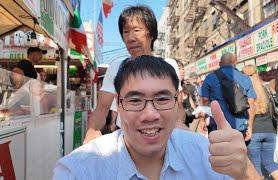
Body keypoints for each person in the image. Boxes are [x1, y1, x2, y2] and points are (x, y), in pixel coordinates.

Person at [53, 56, 261, 179]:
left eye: (162, 99)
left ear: (177, 101)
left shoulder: (208, 156)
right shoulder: (78, 170)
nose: (150, 115)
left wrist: (244, 173)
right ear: (119, 104)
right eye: (135, 101)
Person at [84, 5, 186, 144]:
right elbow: (101, 109)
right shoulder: (116, 67)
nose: (130, 38)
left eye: (136, 30)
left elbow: (178, 108)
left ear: (151, 33)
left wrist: (179, 125)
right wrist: (91, 133)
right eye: (126, 32)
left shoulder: (169, 66)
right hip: (127, 141)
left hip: (163, 139)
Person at [201, 52, 256, 141]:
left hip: (218, 127)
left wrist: (203, 120)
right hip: (240, 128)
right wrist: (250, 126)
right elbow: (251, 104)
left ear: (220, 64)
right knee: (239, 154)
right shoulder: (245, 78)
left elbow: (205, 101)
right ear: (235, 63)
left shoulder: (210, 78)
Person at [242, 65, 278, 180]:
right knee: (270, 163)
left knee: (255, 166)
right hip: (270, 131)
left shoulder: (245, 90)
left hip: (254, 132)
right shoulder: (266, 88)